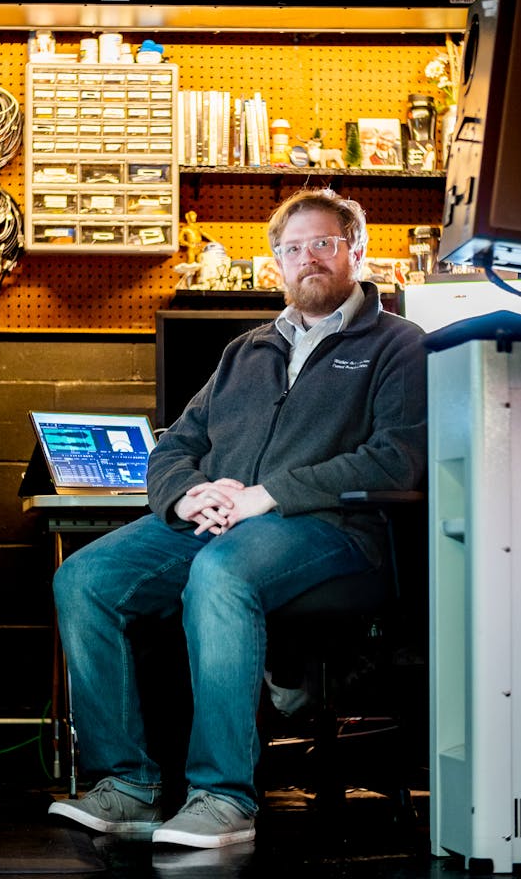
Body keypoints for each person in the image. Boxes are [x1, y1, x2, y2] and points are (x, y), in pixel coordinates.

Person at [48, 187, 428, 849]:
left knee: (221, 575)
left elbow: (395, 460)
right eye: (292, 248)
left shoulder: (397, 344)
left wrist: (267, 494)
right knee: (84, 577)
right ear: (275, 263)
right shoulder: (244, 351)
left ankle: (222, 796)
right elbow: (172, 446)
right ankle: (128, 786)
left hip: (338, 536)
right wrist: (186, 494)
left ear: (355, 253)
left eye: (323, 244)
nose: (307, 258)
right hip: (221, 524)